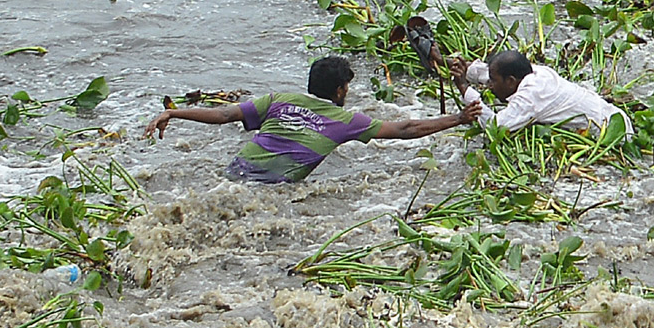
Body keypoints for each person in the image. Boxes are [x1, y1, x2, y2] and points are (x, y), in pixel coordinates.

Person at [144, 56, 483, 183]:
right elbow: (406, 128)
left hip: (238, 171)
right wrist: (459, 118)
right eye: (347, 88)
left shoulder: (277, 100)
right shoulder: (345, 119)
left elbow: (222, 115)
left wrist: (174, 112)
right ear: (339, 91)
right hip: (273, 186)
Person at [445, 50, 629, 137]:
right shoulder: (536, 72)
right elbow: (488, 73)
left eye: (493, 81)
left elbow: (496, 126)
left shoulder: (530, 97)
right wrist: (445, 62)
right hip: (616, 117)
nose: (490, 85)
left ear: (510, 81)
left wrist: (463, 88)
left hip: (612, 134)